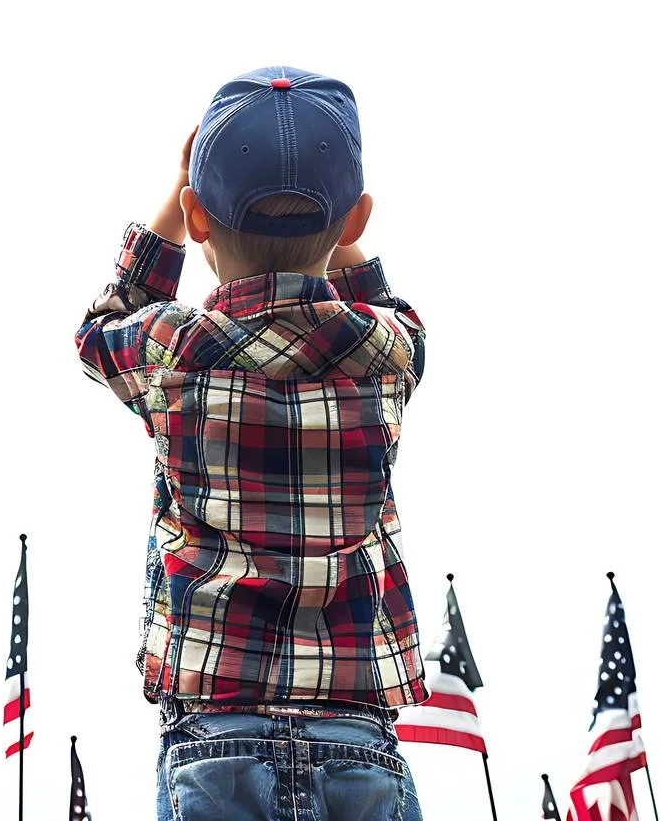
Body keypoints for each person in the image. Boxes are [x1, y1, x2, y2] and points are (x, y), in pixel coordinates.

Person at [75, 66, 428, 820]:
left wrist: (175, 199)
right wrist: (344, 235)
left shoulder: (171, 348)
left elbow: (98, 330)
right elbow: (389, 305)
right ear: (356, 219)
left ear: (200, 219)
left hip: (214, 736)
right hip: (358, 736)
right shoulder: (389, 353)